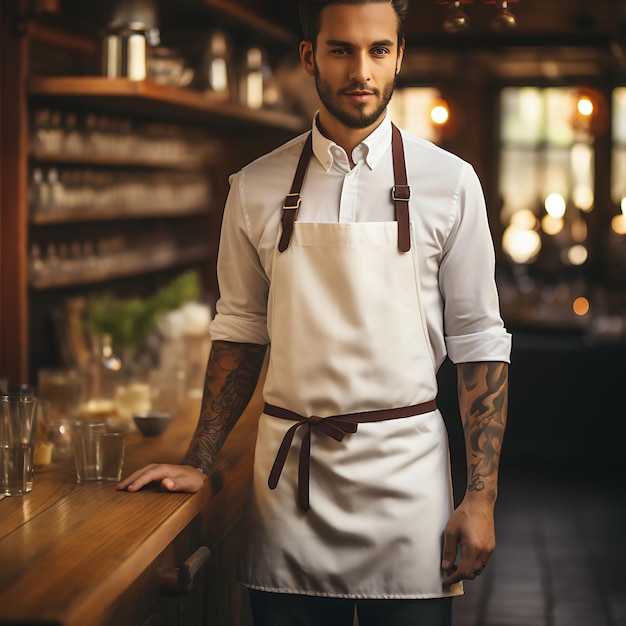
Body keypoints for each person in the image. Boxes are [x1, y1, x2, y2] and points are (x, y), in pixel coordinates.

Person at [119, 1, 511, 624]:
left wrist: (481, 497)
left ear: (400, 56)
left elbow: (478, 343)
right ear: (309, 57)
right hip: (289, 491)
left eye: (380, 50)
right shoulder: (253, 187)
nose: (363, 69)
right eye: (341, 50)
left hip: (408, 487)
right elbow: (240, 332)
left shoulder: (452, 182)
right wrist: (199, 459)